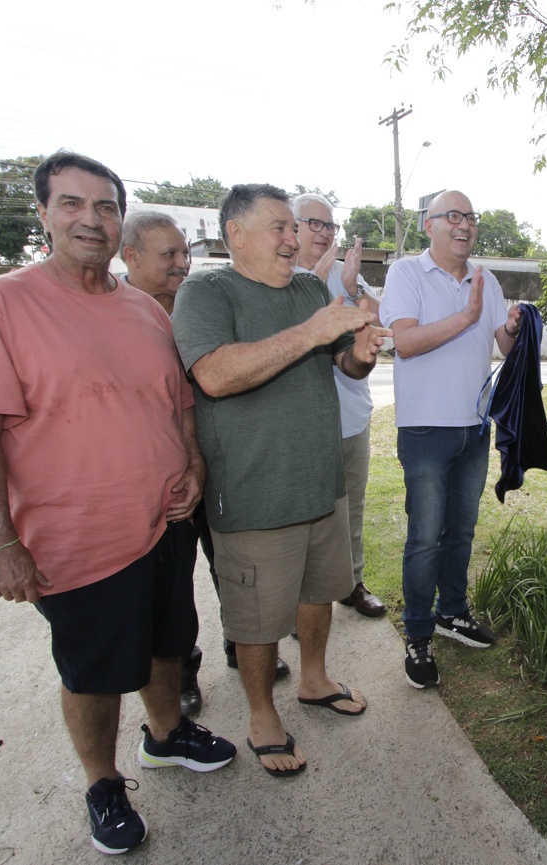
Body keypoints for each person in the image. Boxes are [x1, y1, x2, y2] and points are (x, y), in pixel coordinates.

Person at [0, 151, 236, 855]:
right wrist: (1, 544)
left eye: (105, 206)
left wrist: (193, 464)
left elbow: (178, 405)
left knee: (169, 643)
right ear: (42, 213)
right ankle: (102, 781)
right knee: (96, 670)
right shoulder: (1, 305)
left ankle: (166, 735)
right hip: (77, 539)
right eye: (72, 204)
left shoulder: (142, 308)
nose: (90, 219)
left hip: (165, 523)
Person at [172, 184, 388, 776]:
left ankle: (315, 680)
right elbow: (214, 375)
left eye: (295, 228)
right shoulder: (205, 292)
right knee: (257, 618)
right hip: (254, 492)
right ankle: (262, 713)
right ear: (234, 233)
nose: (294, 239)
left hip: (321, 481)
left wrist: (363, 350)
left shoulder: (310, 290)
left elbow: (345, 361)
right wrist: (312, 333)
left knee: (320, 591)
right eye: (280, 228)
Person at [120, 211, 292, 717]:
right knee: (172, 586)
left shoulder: (202, 299)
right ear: (130, 256)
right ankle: (183, 673)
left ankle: (243, 646)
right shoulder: (118, 311)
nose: (182, 263)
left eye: (184, 252)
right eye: (168, 255)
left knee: (231, 567)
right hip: (159, 475)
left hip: (216, 463)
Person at [381, 189, 522, 689]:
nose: (464, 224)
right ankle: (418, 632)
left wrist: (509, 326)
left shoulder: (485, 278)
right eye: (453, 216)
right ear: (429, 225)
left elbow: (502, 346)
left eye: (470, 217)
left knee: (461, 531)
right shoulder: (405, 273)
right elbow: (406, 343)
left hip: (474, 425)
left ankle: (453, 613)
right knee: (425, 538)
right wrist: (467, 316)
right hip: (424, 429)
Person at [291, 193, 387, 619]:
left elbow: (384, 323)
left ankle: (352, 583)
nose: (325, 233)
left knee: (352, 508)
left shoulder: (341, 277)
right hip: (303, 426)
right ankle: (301, 602)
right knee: (303, 519)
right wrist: (310, 281)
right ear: (290, 227)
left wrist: (353, 288)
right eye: (315, 223)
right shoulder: (278, 277)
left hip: (350, 416)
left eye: (330, 225)